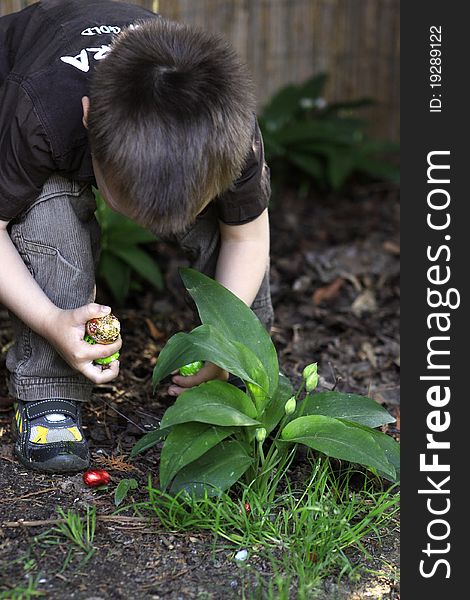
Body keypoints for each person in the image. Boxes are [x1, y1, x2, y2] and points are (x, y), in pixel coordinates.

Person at [0, 0, 273, 473]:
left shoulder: (231, 130)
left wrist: (221, 341)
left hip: (121, 131)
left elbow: (246, 240)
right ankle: (49, 397)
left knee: (224, 226)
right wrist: (50, 320)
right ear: (89, 118)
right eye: (126, 203)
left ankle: (244, 374)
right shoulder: (39, 110)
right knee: (50, 213)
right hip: (27, 113)